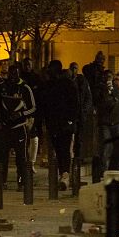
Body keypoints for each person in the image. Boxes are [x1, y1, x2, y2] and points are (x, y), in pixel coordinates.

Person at [0, 64, 36, 192]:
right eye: (11, 73)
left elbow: (33, 107)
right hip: (4, 127)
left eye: (15, 74)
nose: (13, 76)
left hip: (19, 127)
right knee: (2, 156)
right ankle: (2, 181)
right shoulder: (1, 87)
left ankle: (21, 181)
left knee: (21, 157)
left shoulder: (25, 88)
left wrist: (21, 114)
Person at [43, 60, 79, 190]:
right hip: (53, 124)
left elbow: (74, 103)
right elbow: (46, 104)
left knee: (64, 149)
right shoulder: (49, 85)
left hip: (65, 124)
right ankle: (62, 174)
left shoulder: (67, 84)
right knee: (58, 150)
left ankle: (65, 175)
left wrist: (70, 120)